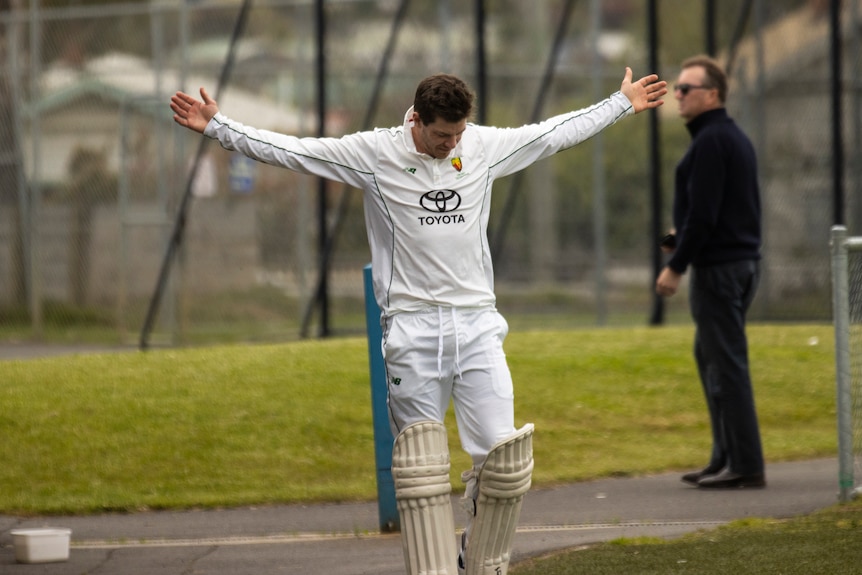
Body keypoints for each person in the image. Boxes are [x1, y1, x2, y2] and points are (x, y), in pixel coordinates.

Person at [172, 68, 666, 575]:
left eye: (457, 134)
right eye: (440, 136)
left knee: (504, 461)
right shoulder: (375, 154)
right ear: (417, 119)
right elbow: (295, 151)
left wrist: (620, 103)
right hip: (412, 329)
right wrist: (218, 128)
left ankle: (478, 564)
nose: (450, 144)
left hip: (477, 326)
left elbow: (555, 133)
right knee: (421, 471)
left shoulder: (481, 146)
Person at [655, 55, 765, 490]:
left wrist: (675, 266)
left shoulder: (712, 141)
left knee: (727, 364)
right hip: (737, 263)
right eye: (677, 88)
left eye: (686, 89)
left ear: (712, 94)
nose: (678, 95)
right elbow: (718, 212)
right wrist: (676, 238)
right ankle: (725, 458)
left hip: (720, 271)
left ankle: (746, 465)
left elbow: (705, 215)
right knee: (712, 359)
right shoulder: (725, 137)